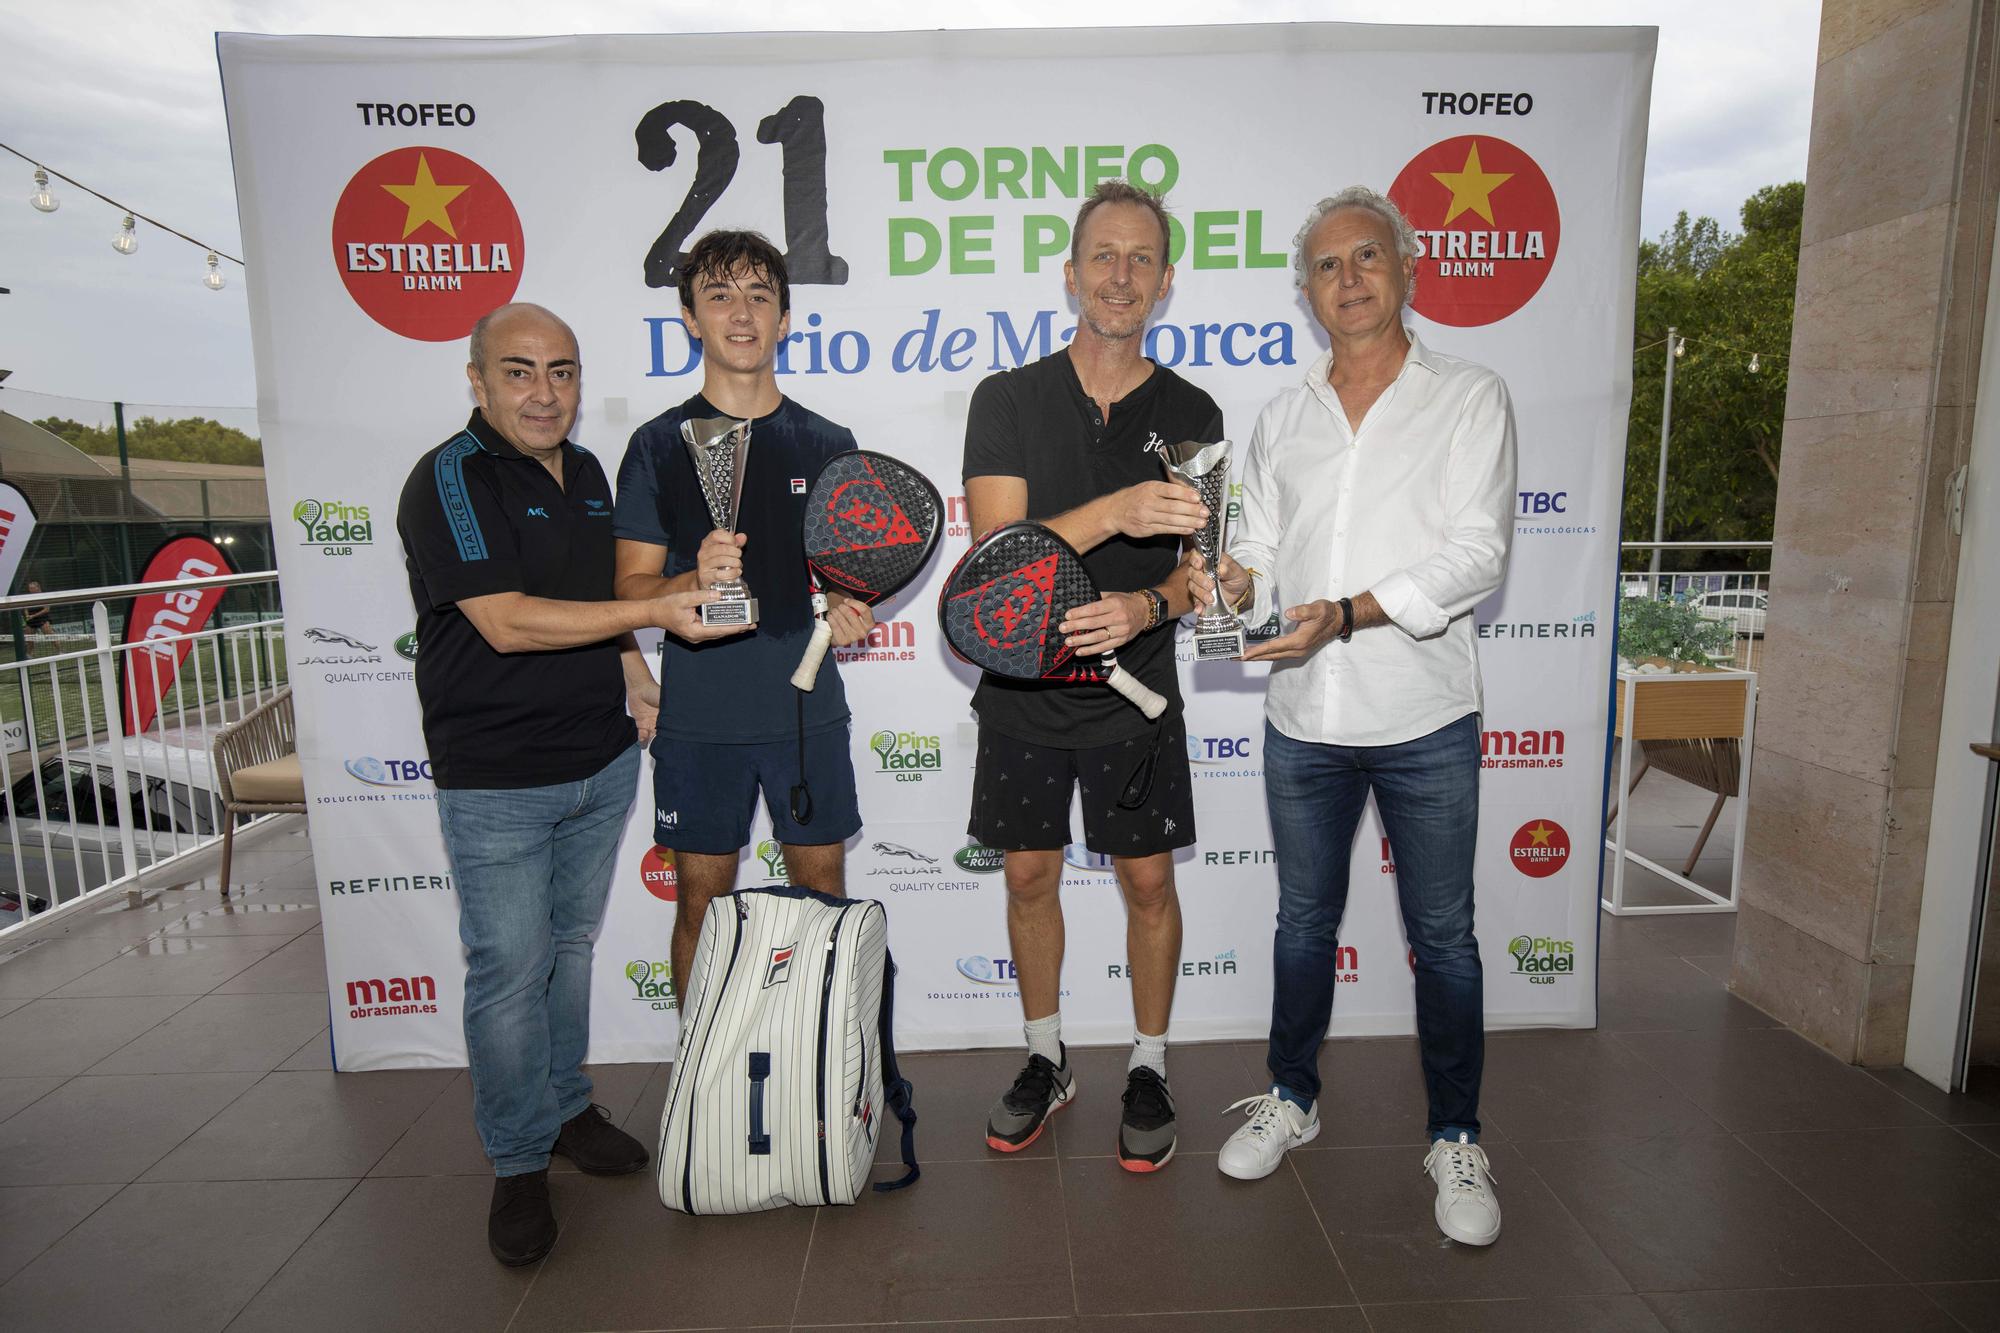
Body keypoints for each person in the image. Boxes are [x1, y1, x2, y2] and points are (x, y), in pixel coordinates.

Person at [1191, 187, 1516, 1245]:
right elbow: (1261, 554)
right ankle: (1290, 1096)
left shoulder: (1468, 397)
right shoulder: (1281, 417)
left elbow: (1476, 554)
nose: (1348, 280)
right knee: (1299, 924)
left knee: (1444, 938)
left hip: (1422, 712)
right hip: (1301, 716)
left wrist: (1346, 613)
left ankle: (1456, 1136)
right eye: (1326, 266)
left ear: (1407, 270)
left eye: (1365, 257)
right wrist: (1230, 588)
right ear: (1306, 291)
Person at [397, 301, 745, 1266]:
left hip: (597, 761)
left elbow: (602, 607)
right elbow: (505, 620)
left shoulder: (589, 472)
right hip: (498, 776)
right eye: (519, 371)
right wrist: (673, 606)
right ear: (477, 379)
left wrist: (638, 673)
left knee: (571, 949)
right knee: (508, 971)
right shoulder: (450, 479)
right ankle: (516, 1164)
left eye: (561, 371)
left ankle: (562, 1110)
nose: (544, 392)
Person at [962, 180, 1220, 1173]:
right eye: (1102, 257)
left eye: (1140, 258)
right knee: (1028, 873)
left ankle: (1147, 1064)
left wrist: (1148, 605)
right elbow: (996, 556)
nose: (1120, 274)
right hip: (1023, 689)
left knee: (1146, 881)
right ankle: (1045, 1055)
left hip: (1138, 691)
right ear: (1069, 275)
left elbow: (1202, 576)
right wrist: (1113, 510)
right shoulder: (1008, 398)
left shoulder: (1191, 411)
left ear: (1163, 281)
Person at [612, 229, 875, 1006]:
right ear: (690, 318)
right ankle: (700, 1081)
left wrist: (853, 606)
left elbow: (848, 579)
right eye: (720, 295)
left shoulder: (829, 443)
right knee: (699, 904)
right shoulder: (658, 444)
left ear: (786, 320)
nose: (741, 313)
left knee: (823, 903)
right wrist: (692, 574)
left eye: (761, 296)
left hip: (805, 710)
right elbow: (628, 591)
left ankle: (827, 1072)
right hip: (701, 716)